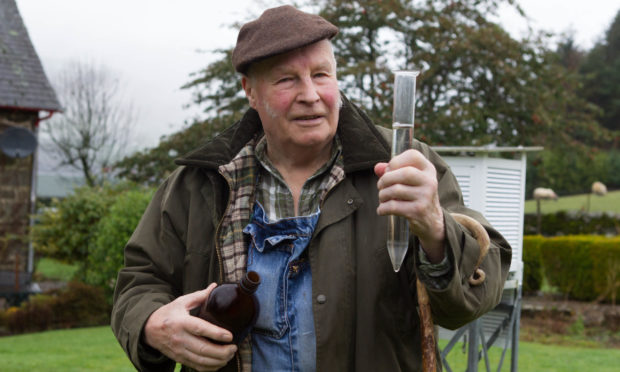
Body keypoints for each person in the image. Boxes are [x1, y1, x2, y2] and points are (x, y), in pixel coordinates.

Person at [111, 5, 511, 372]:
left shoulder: (406, 164)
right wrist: (153, 325)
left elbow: (478, 286)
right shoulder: (200, 184)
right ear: (251, 91)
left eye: (321, 74)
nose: (310, 95)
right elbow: (139, 280)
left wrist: (436, 230)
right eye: (287, 79)